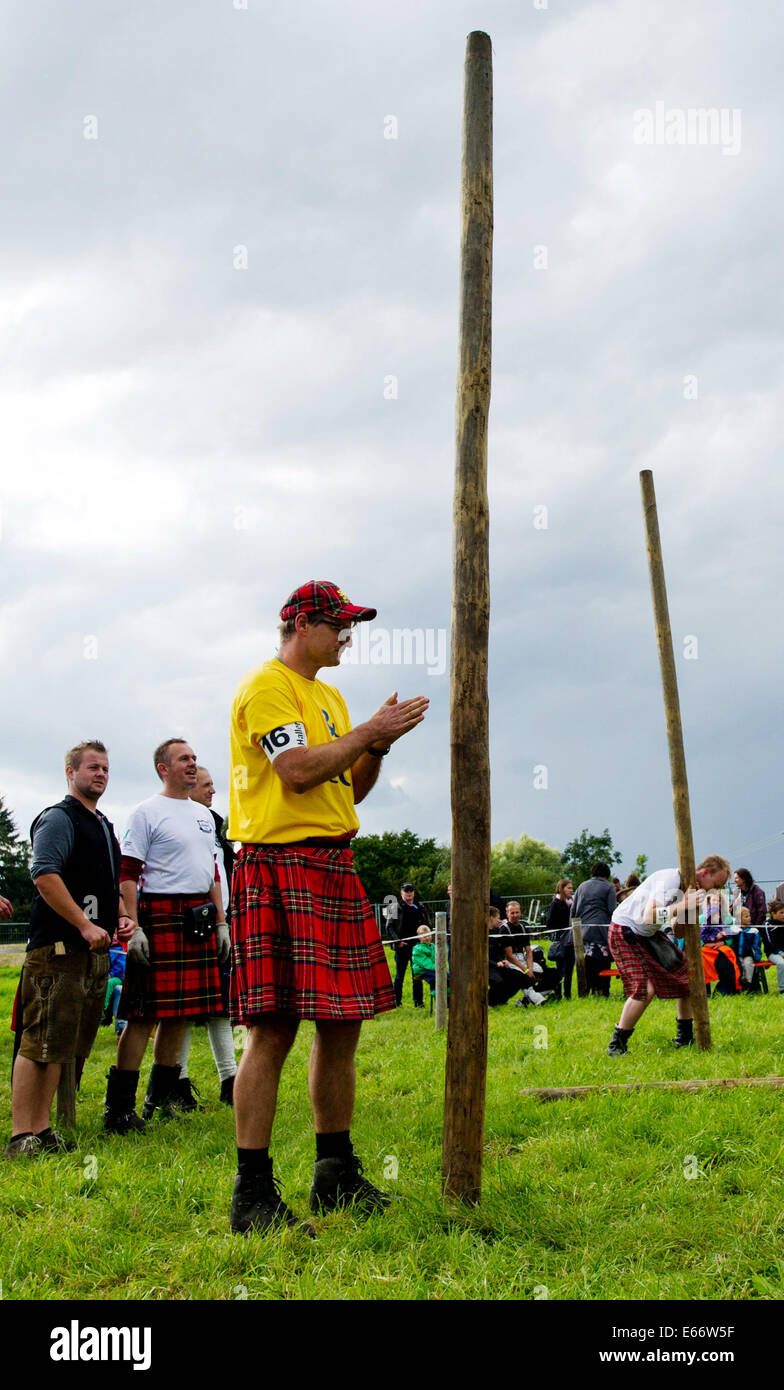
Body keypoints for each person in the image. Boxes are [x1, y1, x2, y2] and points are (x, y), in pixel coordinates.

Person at [227, 580, 429, 1234]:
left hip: (333, 864)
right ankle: (252, 1192)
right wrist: (368, 729)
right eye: (339, 624)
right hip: (278, 865)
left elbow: (351, 788)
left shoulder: (330, 697)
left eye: (352, 625)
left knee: (343, 1023)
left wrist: (375, 744)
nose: (348, 636)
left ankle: (333, 1172)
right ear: (301, 624)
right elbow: (297, 772)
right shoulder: (267, 685)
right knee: (274, 1028)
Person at [5, 741, 131, 1159]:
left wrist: (122, 916)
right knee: (39, 1041)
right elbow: (44, 875)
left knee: (65, 1044)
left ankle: (43, 1130)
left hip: (91, 949)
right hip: (56, 947)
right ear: (70, 772)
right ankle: (21, 1135)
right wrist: (83, 923)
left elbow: (107, 884)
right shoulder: (60, 819)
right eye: (93, 767)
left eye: (106, 769)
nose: (101, 774)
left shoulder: (103, 824)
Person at [103, 739, 230, 1133]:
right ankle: (119, 1111)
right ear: (163, 767)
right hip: (159, 914)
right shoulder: (145, 812)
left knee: (184, 1014)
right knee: (142, 1014)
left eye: (194, 758)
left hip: (199, 916)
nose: (193, 764)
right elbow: (126, 872)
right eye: (184, 759)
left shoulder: (204, 816)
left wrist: (222, 921)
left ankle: (159, 1099)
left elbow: (211, 872)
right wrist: (134, 924)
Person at [606, 855, 731, 1055]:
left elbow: (678, 931)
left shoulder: (690, 891)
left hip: (648, 934)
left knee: (687, 977)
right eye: (715, 884)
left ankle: (684, 1038)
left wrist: (688, 910)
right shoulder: (670, 878)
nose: (712, 890)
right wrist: (682, 905)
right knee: (644, 990)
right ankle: (616, 1044)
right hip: (625, 929)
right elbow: (649, 916)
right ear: (706, 872)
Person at [173, 766, 238, 1108]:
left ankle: (230, 1081)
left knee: (221, 1008)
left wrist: (226, 920)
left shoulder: (214, 824)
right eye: (206, 784)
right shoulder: (177, 822)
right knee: (182, 1009)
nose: (213, 790)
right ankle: (177, 1083)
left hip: (220, 924)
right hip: (188, 923)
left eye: (214, 784)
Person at [570, 863, 617, 996]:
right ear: (606, 874)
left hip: (583, 931)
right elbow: (612, 910)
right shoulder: (609, 887)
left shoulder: (581, 886)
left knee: (589, 959)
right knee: (604, 961)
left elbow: (573, 911)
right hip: (602, 931)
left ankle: (588, 988)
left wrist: (572, 932)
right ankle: (603, 990)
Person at [385, 883, 430, 1008]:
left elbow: (427, 924)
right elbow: (388, 927)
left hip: (417, 947)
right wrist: (398, 941)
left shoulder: (420, 907)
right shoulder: (393, 907)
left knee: (417, 975)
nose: (409, 893)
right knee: (399, 976)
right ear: (401, 893)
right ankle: (396, 1002)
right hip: (402, 947)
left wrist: (425, 939)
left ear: (414, 892)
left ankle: (419, 1002)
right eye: (406, 891)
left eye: (411, 890)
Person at [504, 900, 550, 1004]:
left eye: (517, 912)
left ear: (520, 913)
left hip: (523, 958)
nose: (515, 915)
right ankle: (538, 999)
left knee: (544, 972)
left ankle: (526, 1000)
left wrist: (530, 969)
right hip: (511, 962)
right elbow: (509, 956)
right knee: (524, 976)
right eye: (512, 913)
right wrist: (526, 971)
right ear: (507, 914)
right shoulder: (504, 929)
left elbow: (528, 951)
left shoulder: (523, 928)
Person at [545, 879, 574, 998]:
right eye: (569, 888)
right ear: (561, 889)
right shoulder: (555, 903)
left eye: (572, 888)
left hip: (571, 939)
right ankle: (558, 994)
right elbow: (549, 923)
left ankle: (568, 994)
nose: (571, 890)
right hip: (561, 940)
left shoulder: (571, 903)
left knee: (570, 969)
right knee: (561, 970)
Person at [762, 899, 784, 994]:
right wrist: (780, 952)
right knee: (782, 963)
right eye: (781, 913)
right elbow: (769, 943)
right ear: (773, 914)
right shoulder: (767, 925)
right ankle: (782, 989)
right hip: (772, 953)